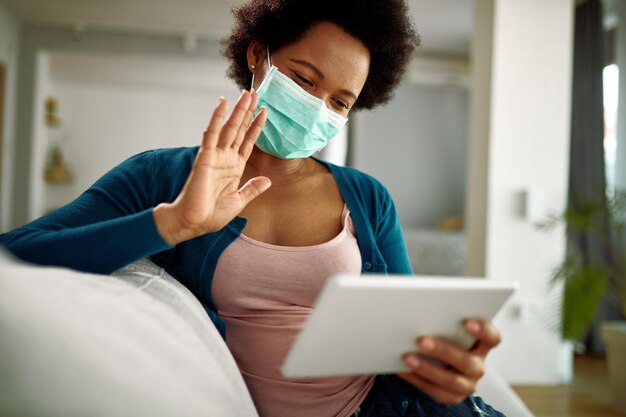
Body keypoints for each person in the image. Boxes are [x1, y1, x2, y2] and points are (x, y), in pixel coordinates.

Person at [0, 1, 506, 416]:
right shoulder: (161, 176)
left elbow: (405, 334)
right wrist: (174, 222)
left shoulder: (367, 197)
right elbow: (16, 255)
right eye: (305, 81)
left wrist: (447, 370)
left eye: (339, 103)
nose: (318, 109)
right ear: (257, 54)